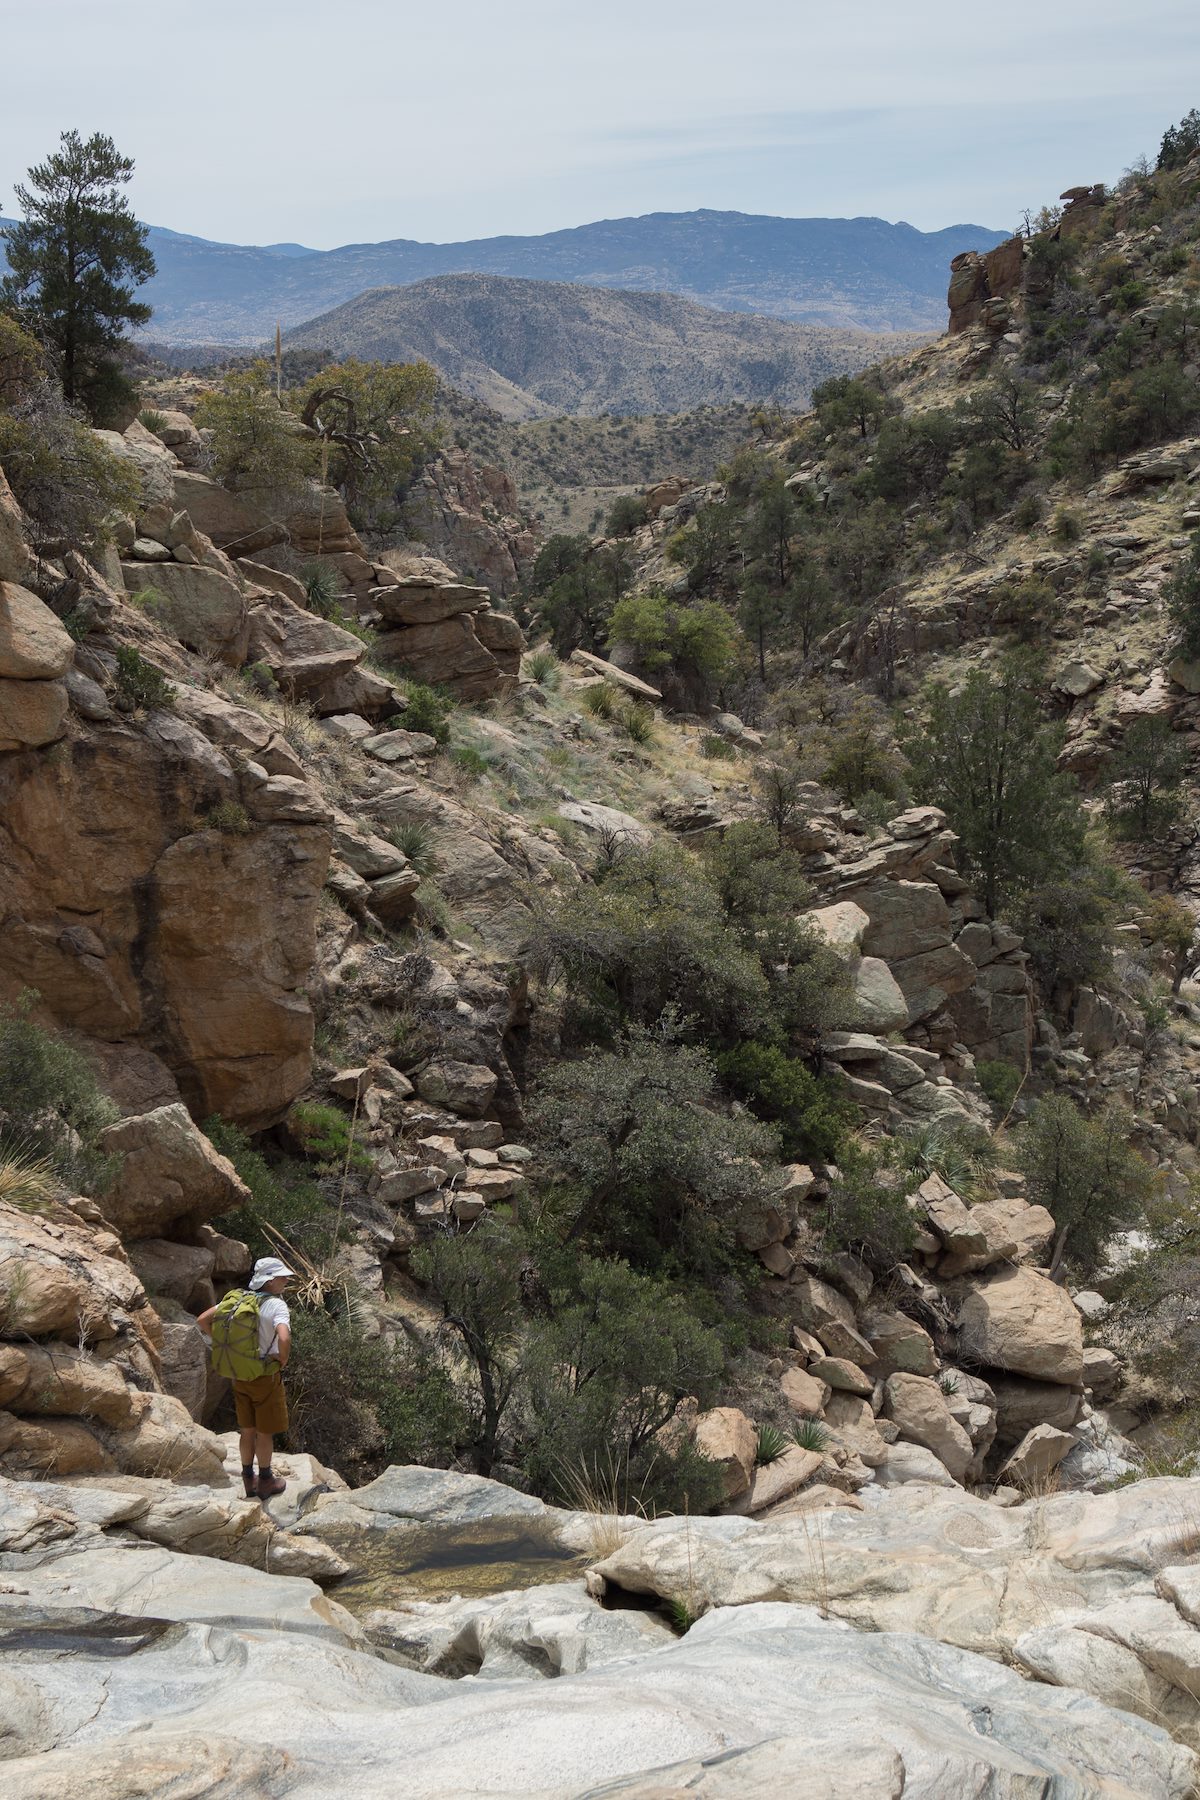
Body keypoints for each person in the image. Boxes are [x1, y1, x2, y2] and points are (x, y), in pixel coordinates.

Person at [198, 1256, 294, 1499]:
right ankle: (265, 1481)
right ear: (271, 1281)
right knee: (265, 1432)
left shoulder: (237, 1299)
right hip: (265, 1377)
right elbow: (283, 1337)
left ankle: (247, 1479)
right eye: (282, 1277)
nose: (285, 1281)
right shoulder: (276, 1305)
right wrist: (282, 1359)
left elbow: (203, 1320)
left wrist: (224, 1344)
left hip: (239, 1374)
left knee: (247, 1430)